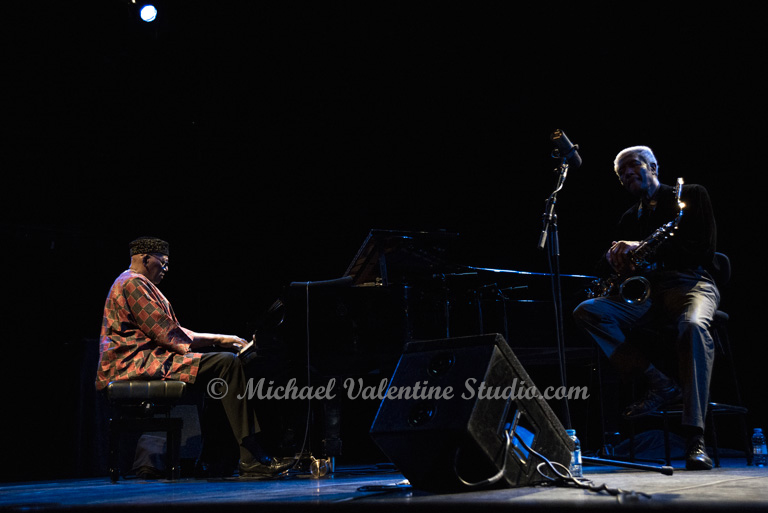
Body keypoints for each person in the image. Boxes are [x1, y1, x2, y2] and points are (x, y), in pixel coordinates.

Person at [573, 146, 719, 471]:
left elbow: (704, 250)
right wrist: (612, 258)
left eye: (631, 166)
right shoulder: (629, 217)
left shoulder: (692, 194)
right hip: (649, 295)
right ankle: (658, 382)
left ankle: (696, 439)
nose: (626, 175)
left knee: (693, 327)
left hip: (690, 284)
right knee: (588, 311)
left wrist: (644, 247)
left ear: (652, 165)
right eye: (620, 173)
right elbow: (606, 266)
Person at [95, 236, 292, 477]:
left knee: (219, 373)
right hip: (134, 364)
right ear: (146, 259)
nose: (166, 269)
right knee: (226, 362)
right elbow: (167, 333)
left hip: (146, 360)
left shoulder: (135, 284)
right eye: (163, 263)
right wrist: (222, 339)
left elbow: (171, 333)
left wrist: (221, 340)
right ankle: (251, 458)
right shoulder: (133, 284)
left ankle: (215, 458)